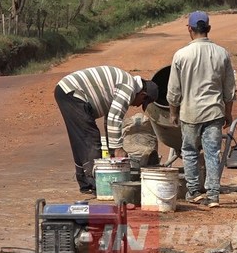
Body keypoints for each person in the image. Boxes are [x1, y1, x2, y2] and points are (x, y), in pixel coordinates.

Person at [167, 11, 236, 208]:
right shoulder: (222, 54)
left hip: (190, 113)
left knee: (189, 151)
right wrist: (228, 112)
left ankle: (194, 191)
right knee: (212, 152)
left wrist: (173, 113)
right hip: (214, 112)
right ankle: (213, 195)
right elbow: (229, 88)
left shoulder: (181, 55)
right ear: (209, 29)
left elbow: (173, 90)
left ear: (189, 29)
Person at [54, 65, 159, 194]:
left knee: (80, 139)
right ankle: (96, 183)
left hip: (67, 90)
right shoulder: (128, 88)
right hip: (72, 92)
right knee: (90, 137)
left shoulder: (125, 86)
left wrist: (112, 150)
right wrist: (119, 148)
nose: (137, 105)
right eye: (141, 102)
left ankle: (86, 184)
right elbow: (114, 118)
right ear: (143, 94)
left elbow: (109, 119)